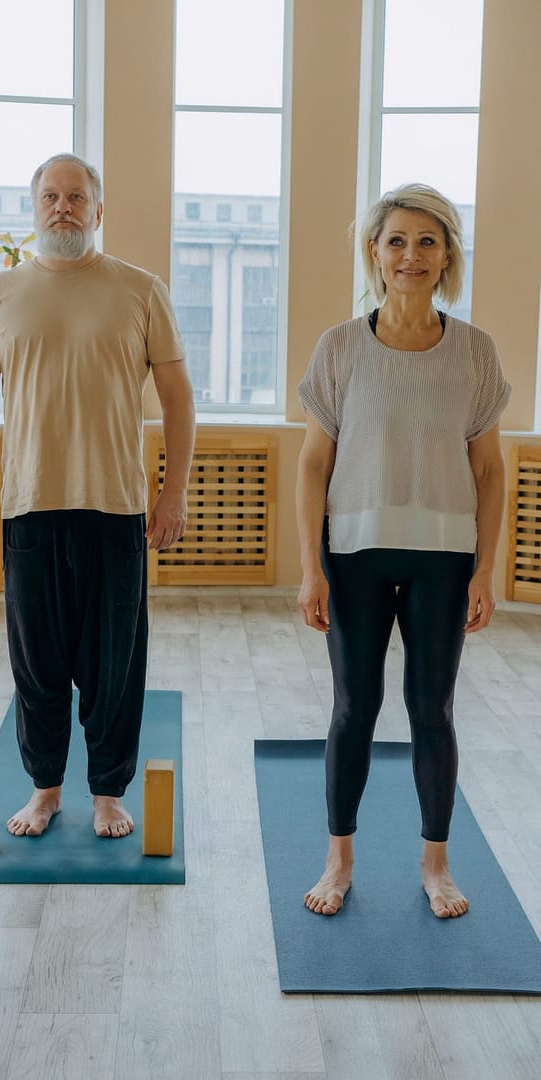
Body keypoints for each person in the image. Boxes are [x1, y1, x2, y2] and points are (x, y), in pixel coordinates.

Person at [0, 153, 195, 840]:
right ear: (34, 208)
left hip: (116, 507)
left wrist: (172, 491)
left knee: (114, 662)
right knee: (39, 663)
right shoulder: (0, 293)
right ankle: (47, 790)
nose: (63, 207)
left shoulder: (140, 290)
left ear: (98, 209)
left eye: (77, 197)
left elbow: (178, 398)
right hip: (29, 506)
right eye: (50, 197)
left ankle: (110, 791)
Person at [296, 183, 510, 918]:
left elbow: (488, 469)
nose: (411, 255)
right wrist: (309, 568)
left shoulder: (475, 351)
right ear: (375, 254)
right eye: (396, 241)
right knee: (355, 708)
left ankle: (436, 864)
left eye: (427, 241)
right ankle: (339, 858)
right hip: (354, 554)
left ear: (447, 254)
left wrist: (486, 568)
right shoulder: (340, 347)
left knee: (432, 710)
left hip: (443, 559)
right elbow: (312, 466)